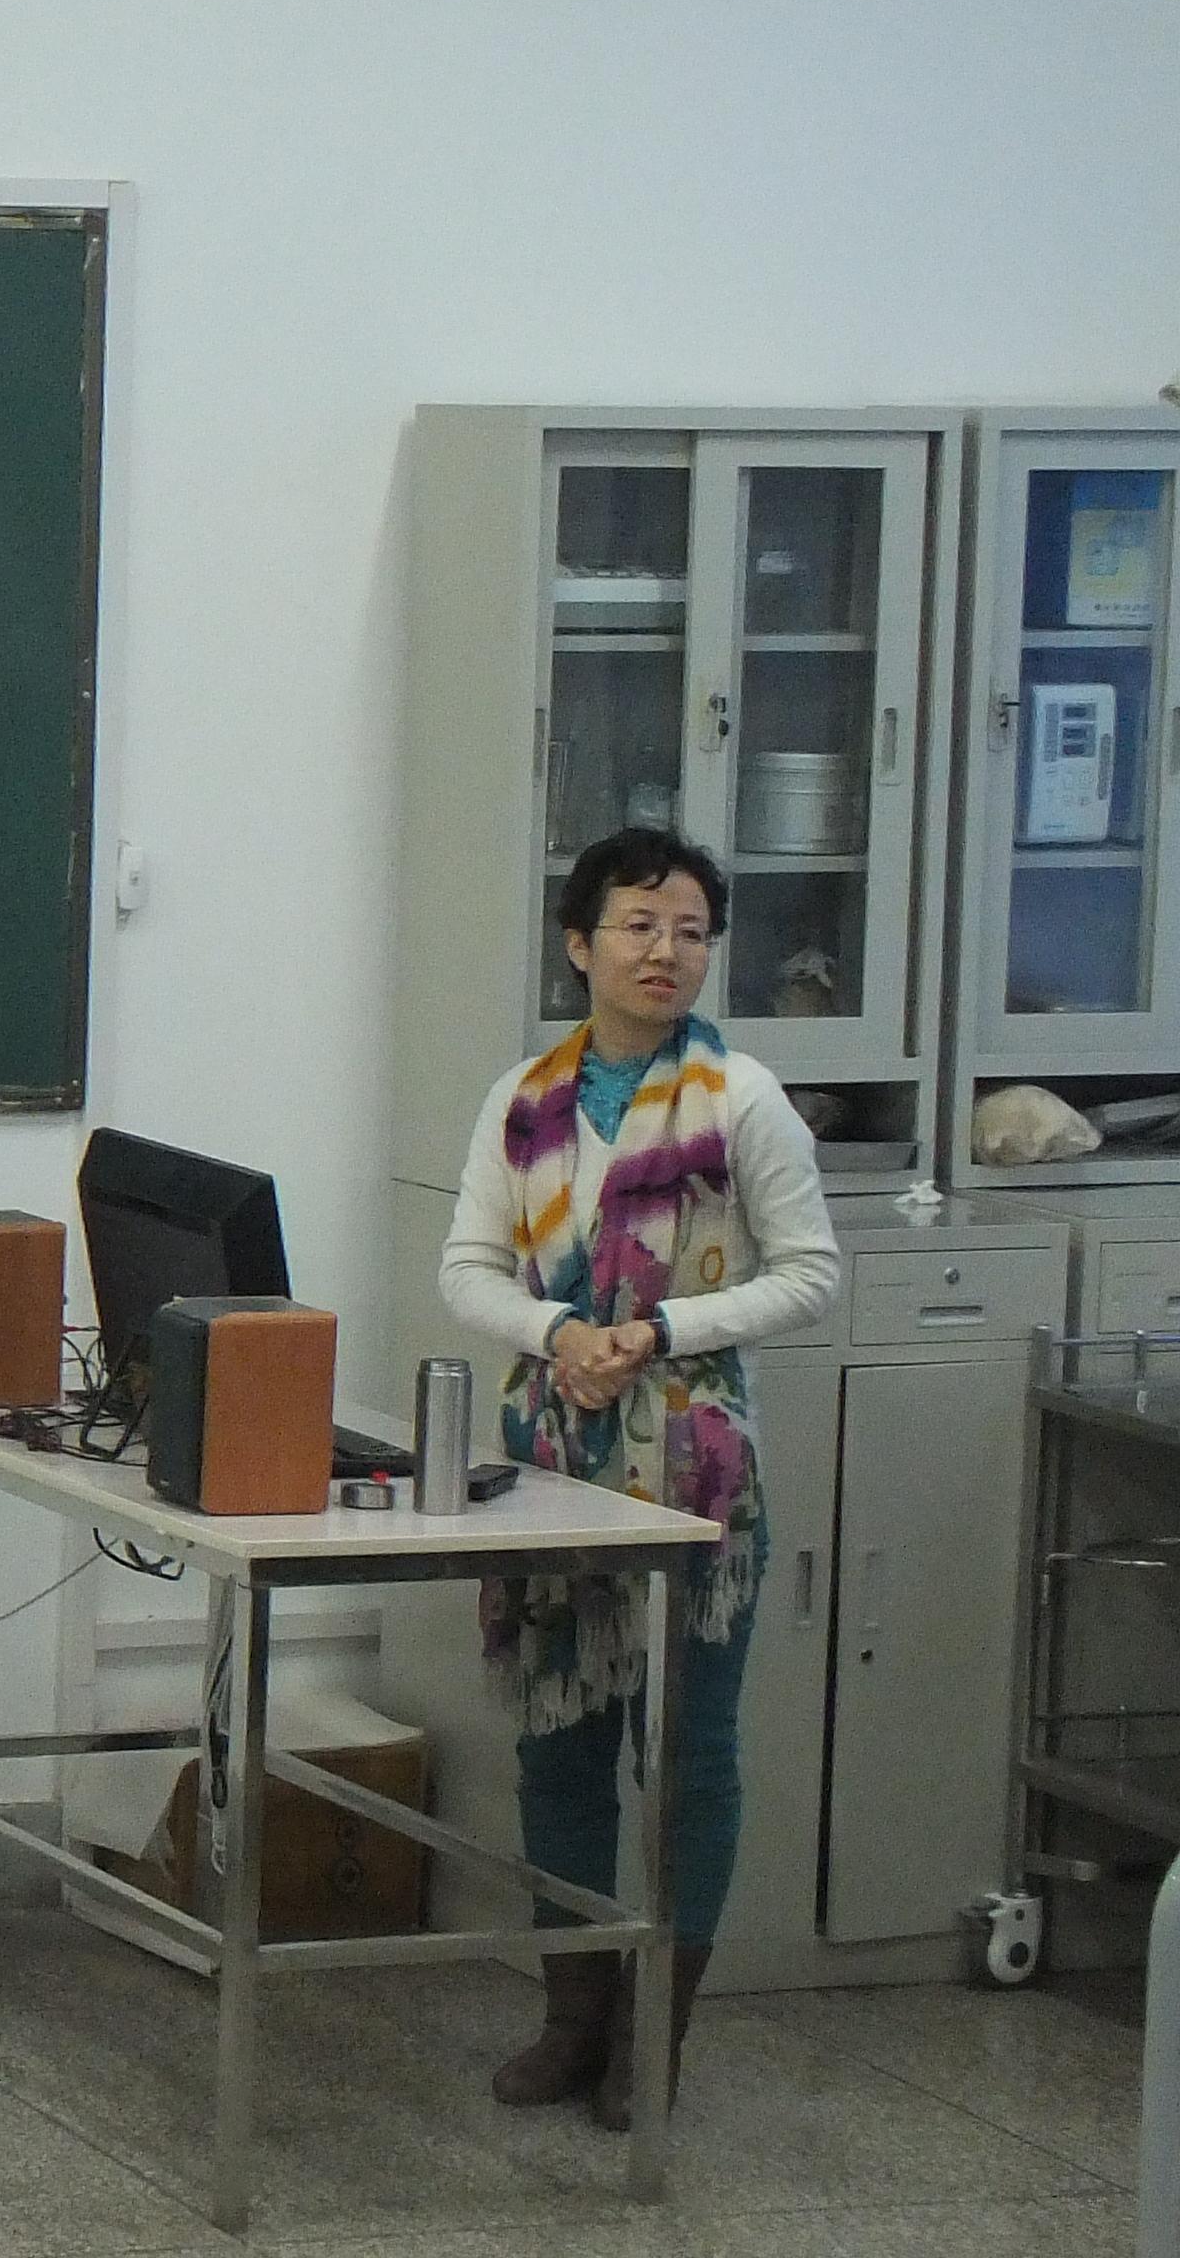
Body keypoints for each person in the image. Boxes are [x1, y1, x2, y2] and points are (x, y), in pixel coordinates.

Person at [435, 825, 840, 2127]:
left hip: (695, 1470)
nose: (666, 951)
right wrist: (561, 1332)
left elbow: (811, 1275)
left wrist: (660, 1331)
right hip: (551, 1460)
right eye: (639, 925)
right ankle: (575, 2018)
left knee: (691, 1754)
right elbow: (466, 1269)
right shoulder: (524, 1101)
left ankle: (654, 2033)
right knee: (558, 1742)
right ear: (580, 943)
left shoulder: (742, 1100)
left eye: (691, 931)